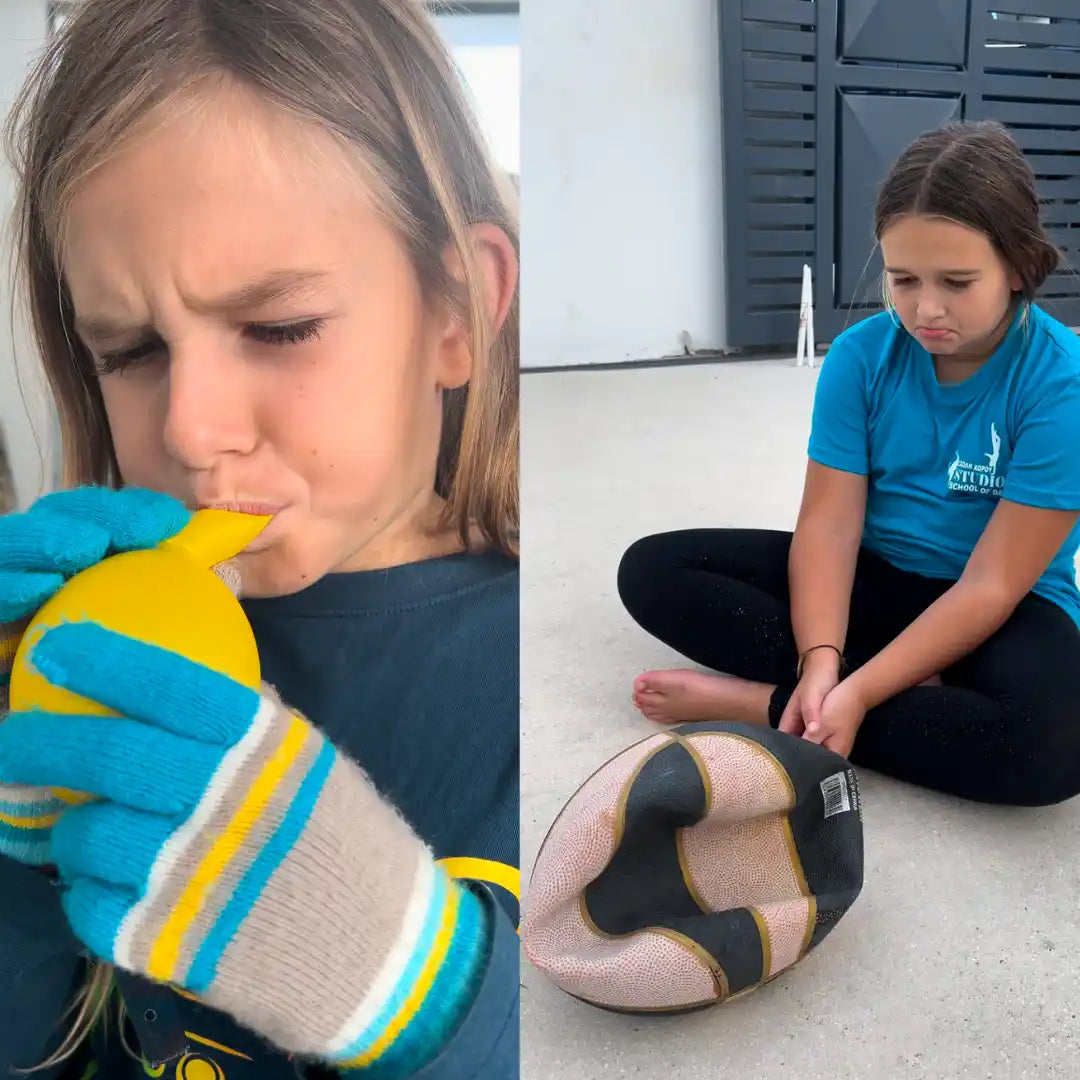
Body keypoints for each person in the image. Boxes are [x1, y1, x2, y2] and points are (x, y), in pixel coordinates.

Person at [0, 1, 519, 1077]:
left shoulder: (532, 676)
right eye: (131, 350)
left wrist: (424, 989)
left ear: (457, 311)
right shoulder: (93, 638)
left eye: (278, 328)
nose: (191, 430)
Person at [618, 120, 1080, 809]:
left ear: (1018, 266)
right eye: (903, 278)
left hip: (1007, 605)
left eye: (957, 281)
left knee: (1049, 752)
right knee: (653, 572)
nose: (926, 308)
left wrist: (858, 691)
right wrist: (821, 658)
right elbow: (830, 527)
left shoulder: (1061, 383)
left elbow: (990, 584)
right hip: (878, 580)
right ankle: (876, 690)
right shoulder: (863, 356)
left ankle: (768, 707)